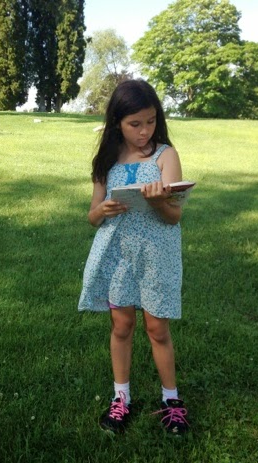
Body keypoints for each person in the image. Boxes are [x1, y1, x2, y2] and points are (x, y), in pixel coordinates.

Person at [78, 79, 189, 435]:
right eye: (135, 124)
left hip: (156, 255)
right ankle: (121, 398)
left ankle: (171, 400)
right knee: (122, 326)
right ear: (117, 123)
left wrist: (159, 201)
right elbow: (92, 216)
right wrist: (102, 210)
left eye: (151, 121)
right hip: (119, 256)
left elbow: (174, 216)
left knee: (157, 328)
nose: (144, 131)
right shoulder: (106, 161)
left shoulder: (165, 155)